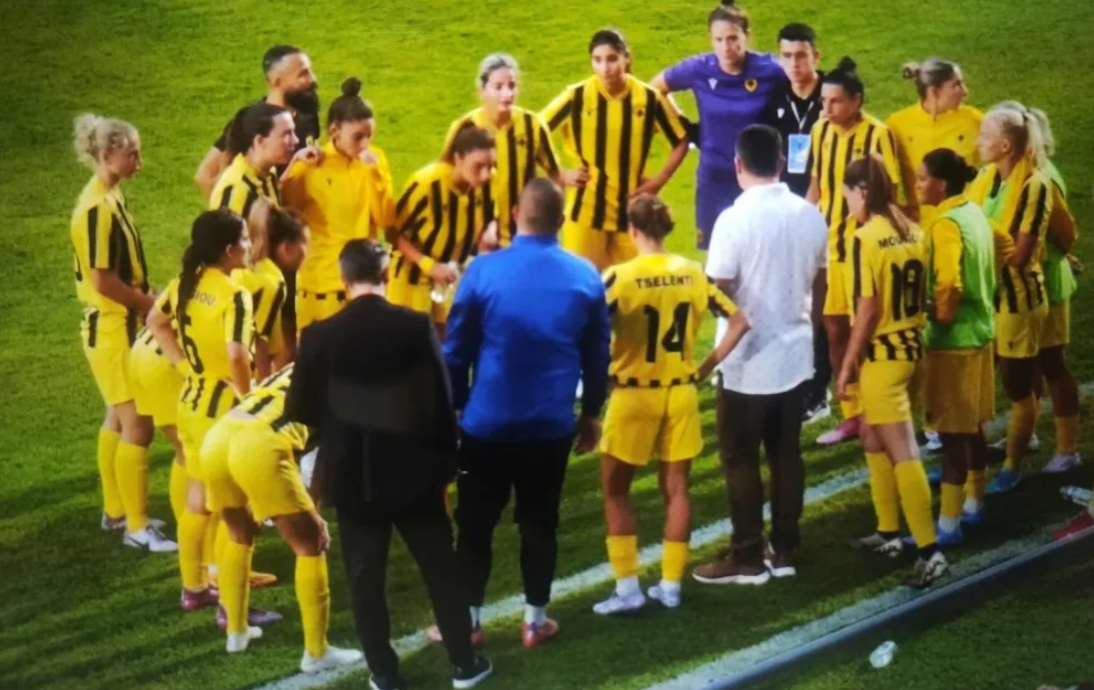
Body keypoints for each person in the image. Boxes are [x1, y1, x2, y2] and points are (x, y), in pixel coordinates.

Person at [285, 239, 492, 690]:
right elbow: (442, 403)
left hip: (351, 476)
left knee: (366, 580)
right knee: (440, 569)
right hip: (414, 472)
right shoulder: (415, 326)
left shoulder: (318, 335)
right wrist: (447, 465)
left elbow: (298, 408)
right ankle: (464, 663)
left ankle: (383, 673)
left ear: (343, 279)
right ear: (387, 275)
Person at [444, 179, 610, 648]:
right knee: (540, 523)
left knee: (474, 525)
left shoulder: (482, 271)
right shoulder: (585, 276)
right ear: (562, 220)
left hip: (486, 424)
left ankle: (468, 622)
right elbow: (598, 356)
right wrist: (591, 413)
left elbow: (455, 351)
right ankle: (535, 621)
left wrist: (456, 406)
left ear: (515, 214)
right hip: (550, 426)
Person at [592, 194, 749, 614]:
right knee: (677, 489)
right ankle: (671, 586)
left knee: (615, 491)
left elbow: (585, 329)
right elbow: (740, 320)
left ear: (632, 230)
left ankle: (628, 590)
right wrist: (704, 366)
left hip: (633, 394)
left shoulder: (619, 277)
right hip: (681, 393)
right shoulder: (693, 272)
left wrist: (601, 375)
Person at [695, 125, 827, 585]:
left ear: (738, 165)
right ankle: (785, 549)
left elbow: (719, 290)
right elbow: (821, 284)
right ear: (780, 163)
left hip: (746, 362)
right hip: (795, 355)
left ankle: (747, 554)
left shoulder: (734, 220)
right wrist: (809, 330)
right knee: (786, 454)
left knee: (740, 458)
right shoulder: (810, 215)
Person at [200, 364, 363, 672]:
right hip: (260, 443)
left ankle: (236, 632)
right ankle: (317, 652)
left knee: (238, 534)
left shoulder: (298, 364)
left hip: (218, 437)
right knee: (311, 544)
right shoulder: (348, 383)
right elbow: (326, 458)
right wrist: (313, 511)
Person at [835, 156, 947, 588]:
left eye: (848, 194)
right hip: (913, 350)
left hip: (883, 358)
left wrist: (847, 364)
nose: (846, 202)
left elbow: (868, 308)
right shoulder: (913, 230)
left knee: (903, 451)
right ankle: (888, 533)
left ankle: (930, 551)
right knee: (871, 435)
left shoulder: (865, 238)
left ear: (862, 192)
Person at [69, 113, 176, 552]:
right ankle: (137, 527)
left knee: (116, 417)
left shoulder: (107, 195)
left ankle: (116, 512)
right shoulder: (97, 208)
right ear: (107, 154)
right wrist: (151, 305)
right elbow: (103, 280)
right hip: (115, 329)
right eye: (132, 154)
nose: (139, 162)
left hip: (114, 325)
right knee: (138, 426)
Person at [148, 210, 254, 611]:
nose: (250, 245)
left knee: (197, 502)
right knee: (234, 513)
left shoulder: (185, 283)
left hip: (191, 404)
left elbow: (155, 321)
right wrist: (249, 400)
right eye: (245, 239)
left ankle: (193, 588)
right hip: (223, 412)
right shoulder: (234, 295)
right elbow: (237, 355)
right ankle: (232, 608)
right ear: (229, 251)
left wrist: (184, 367)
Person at [807, 57, 905, 447]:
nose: (827, 109)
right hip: (829, 247)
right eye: (823, 101)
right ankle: (852, 414)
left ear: (856, 101)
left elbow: (889, 194)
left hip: (862, 251)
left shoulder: (878, 135)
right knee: (833, 330)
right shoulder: (819, 131)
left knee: (865, 333)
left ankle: (878, 410)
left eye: (835, 101)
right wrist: (804, 221)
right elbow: (816, 184)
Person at [542, 28, 690, 272]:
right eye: (597, 60)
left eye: (611, 59)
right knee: (583, 286)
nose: (605, 68)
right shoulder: (577, 96)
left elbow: (681, 140)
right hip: (585, 213)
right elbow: (536, 131)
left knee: (631, 287)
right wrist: (561, 175)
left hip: (631, 214)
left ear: (626, 57)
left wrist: (658, 181)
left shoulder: (648, 99)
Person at [967, 102, 1053, 494]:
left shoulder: (1035, 185)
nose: (978, 142)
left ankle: (1013, 466)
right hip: (987, 298)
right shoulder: (986, 178)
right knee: (982, 383)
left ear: (1005, 145)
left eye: (985, 136)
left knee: (1017, 386)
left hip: (1018, 299)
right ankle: (975, 461)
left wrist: (973, 250)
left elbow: (1019, 255)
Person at [651, 1, 785, 250]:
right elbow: (655, 89)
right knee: (716, 254)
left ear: (747, 36)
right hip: (714, 179)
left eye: (733, 38)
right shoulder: (699, 68)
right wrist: (683, 127)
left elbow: (806, 84)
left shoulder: (769, 69)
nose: (726, 47)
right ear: (710, 39)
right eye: (719, 39)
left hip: (757, 179)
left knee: (759, 250)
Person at [917, 149, 998, 540]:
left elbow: (948, 283)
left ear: (941, 184)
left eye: (922, 178)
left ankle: (948, 524)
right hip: (980, 334)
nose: (917, 185)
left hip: (954, 343)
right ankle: (974, 503)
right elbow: (1001, 247)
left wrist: (938, 313)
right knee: (971, 427)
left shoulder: (945, 224)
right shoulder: (973, 212)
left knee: (951, 435)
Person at [282, 76, 395, 333]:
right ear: (334, 131)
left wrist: (375, 174)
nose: (365, 144)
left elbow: (386, 219)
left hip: (363, 289)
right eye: (358, 137)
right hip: (320, 292)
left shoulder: (375, 161)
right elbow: (283, 213)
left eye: (369, 136)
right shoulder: (312, 165)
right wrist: (296, 167)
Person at [760, 22, 828, 423]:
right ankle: (792, 380)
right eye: (786, 56)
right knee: (790, 298)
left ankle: (820, 388)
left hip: (823, 214)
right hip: (787, 213)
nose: (794, 63)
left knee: (821, 301)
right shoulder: (775, 98)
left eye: (801, 55)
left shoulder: (830, 96)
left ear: (815, 56)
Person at [211, 102, 306, 378]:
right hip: (250, 297)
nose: (295, 140)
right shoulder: (235, 189)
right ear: (259, 141)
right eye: (286, 134)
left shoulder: (265, 174)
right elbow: (220, 256)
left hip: (269, 287)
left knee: (287, 355)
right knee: (261, 366)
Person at [387, 125, 498, 336]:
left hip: (447, 278)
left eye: (491, 165)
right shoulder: (427, 184)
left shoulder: (490, 182)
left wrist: (490, 230)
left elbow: (489, 216)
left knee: (443, 342)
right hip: (411, 278)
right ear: (458, 158)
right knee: (410, 346)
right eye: (478, 166)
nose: (485, 174)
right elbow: (392, 230)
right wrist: (428, 265)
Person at [443, 53, 561, 247]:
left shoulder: (532, 125)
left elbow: (555, 175)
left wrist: (549, 219)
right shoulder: (464, 128)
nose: (507, 94)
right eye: (498, 87)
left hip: (524, 238)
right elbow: (447, 183)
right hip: (475, 240)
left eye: (512, 86)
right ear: (481, 91)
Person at [194, 44, 321, 199]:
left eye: (310, 72)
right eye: (302, 74)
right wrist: (229, 209)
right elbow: (205, 176)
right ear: (276, 81)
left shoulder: (307, 113)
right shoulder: (251, 122)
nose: (313, 80)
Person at [1031, 110, 1081, 476]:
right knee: (1027, 362)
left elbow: (1065, 232)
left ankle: (1067, 450)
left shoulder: (1044, 178)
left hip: (1048, 283)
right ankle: (1026, 431)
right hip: (1029, 287)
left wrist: (1061, 254)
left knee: (1052, 365)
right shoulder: (1024, 176)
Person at [887, 58, 983, 225]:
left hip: (964, 224)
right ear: (935, 91)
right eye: (957, 85)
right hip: (920, 229)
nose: (965, 92)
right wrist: (896, 208)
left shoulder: (974, 121)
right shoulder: (897, 125)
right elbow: (879, 173)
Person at [129, 285, 189, 530]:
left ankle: (131, 521)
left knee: (186, 450)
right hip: (165, 364)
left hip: (144, 350)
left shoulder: (186, 277)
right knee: (189, 452)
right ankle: (194, 539)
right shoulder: (259, 283)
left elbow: (155, 314)